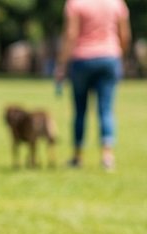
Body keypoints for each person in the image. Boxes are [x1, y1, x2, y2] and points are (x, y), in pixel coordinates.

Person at [54, 0, 130, 171]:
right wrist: (118, 56)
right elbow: (124, 35)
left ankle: (77, 156)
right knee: (106, 109)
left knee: (80, 111)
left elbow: (71, 34)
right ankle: (107, 156)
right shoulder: (116, 3)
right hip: (110, 57)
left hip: (82, 59)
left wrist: (61, 65)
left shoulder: (75, 3)